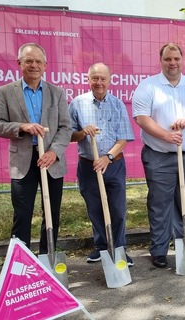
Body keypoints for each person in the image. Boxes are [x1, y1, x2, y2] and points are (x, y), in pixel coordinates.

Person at [132, 43, 185, 268]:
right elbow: (141, 118)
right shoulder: (148, 87)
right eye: (168, 59)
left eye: (176, 58)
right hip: (159, 156)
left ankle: (181, 245)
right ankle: (159, 249)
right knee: (160, 203)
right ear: (161, 61)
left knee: (183, 201)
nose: (172, 63)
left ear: (182, 60)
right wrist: (166, 136)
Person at [0, 43, 72, 252]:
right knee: (22, 214)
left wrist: (54, 152)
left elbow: (65, 127)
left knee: (52, 213)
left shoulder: (57, 92)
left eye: (38, 61)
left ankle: (47, 257)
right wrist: (21, 126)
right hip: (22, 162)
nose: (34, 65)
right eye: (28, 61)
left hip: (51, 161)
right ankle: (20, 262)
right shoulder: (6, 92)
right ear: (19, 64)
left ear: (45, 65)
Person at [69, 63, 135, 266]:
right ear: (88, 80)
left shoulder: (118, 105)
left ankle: (119, 248)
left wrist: (108, 157)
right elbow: (70, 135)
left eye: (102, 79)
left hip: (113, 164)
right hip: (88, 165)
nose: (99, 83)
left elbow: (123, 138)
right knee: (95, 208)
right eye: (94, 78)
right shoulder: (77, 104)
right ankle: (100, 247)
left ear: (109, 80)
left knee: (117, 208)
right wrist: (82, 132)